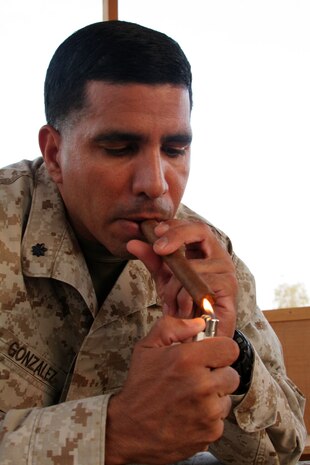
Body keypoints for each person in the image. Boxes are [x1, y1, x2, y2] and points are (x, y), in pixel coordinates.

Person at [0, 20, 306, 465]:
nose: (156, 184)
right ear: (54, 153)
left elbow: (283, 451)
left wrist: (225, 347)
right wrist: (114, 433)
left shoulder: (208, 255)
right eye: (120, 147)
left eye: (175, 150)